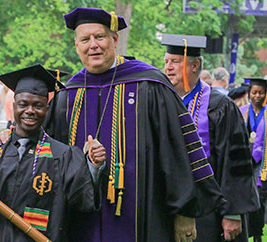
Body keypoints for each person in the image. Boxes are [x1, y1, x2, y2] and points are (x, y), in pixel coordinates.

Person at [43, 7, 225, 242]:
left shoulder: (149, 85)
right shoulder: (68, 95)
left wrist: (184, 212)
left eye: (99, 37)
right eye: (85, 39)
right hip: (80, 219)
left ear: (114, 39)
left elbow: (177, 151)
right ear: (77, 45)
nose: (93, 45)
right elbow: (46, 152)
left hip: (144, 218)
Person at [0, 64, 106, 242]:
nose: (30, 111)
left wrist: (94, 167)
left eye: (38, 105)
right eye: (23, 104)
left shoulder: (64, 156)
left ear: (47, 108)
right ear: (14, 106)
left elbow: (82, 202)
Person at [162, 33, 259, 241]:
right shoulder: (162, 103)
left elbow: (236, 162)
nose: (168, 67)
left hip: (211, 210)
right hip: (170, 208)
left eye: (175, 62)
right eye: (166, 61)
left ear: (195, 65)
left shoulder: (221, 106)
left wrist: (232, 212)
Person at [239, 78, 267, 242]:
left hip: (262, 163)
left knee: (259, 199)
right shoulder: (242, 111)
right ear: (249, 94)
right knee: (245, 196)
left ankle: (257, 233)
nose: (257, 96)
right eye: (254, 92)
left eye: (261, 92)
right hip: (243, 160)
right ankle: (245, 230)